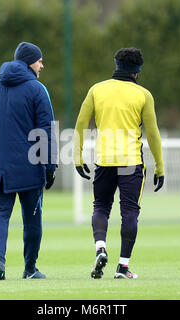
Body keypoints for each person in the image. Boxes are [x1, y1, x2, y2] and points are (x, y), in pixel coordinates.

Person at [73, 47, 165, 279]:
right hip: (131, 162)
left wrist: (78, 157)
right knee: (130, 212)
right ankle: (123, 267)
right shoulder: (143, 95)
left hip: (104, 160)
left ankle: (100, 247)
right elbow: (152, 134)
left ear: (116, 65)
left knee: (101, 207)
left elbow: (80, 125)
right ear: (137, 72)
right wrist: (160, 167)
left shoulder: (97, 90)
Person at [0, 42, 57, 280]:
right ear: (30, 62)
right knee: (32, 219)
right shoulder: (37, 89)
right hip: (29, 169)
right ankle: (30, 269)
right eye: (40, 60)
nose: (42, 64)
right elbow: (46, 131)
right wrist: (50, 167)